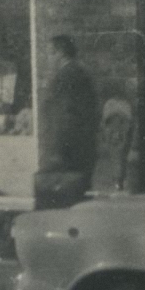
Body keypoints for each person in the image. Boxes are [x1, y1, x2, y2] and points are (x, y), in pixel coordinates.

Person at [36, 35, 99, 207]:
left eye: (50, 53)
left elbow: (64, 117)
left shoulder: (66, 76)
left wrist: (57, 152)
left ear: (60, 53)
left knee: (64, 205)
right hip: (80, 151)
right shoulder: (79, 73)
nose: (48, 59)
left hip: (68, 154)